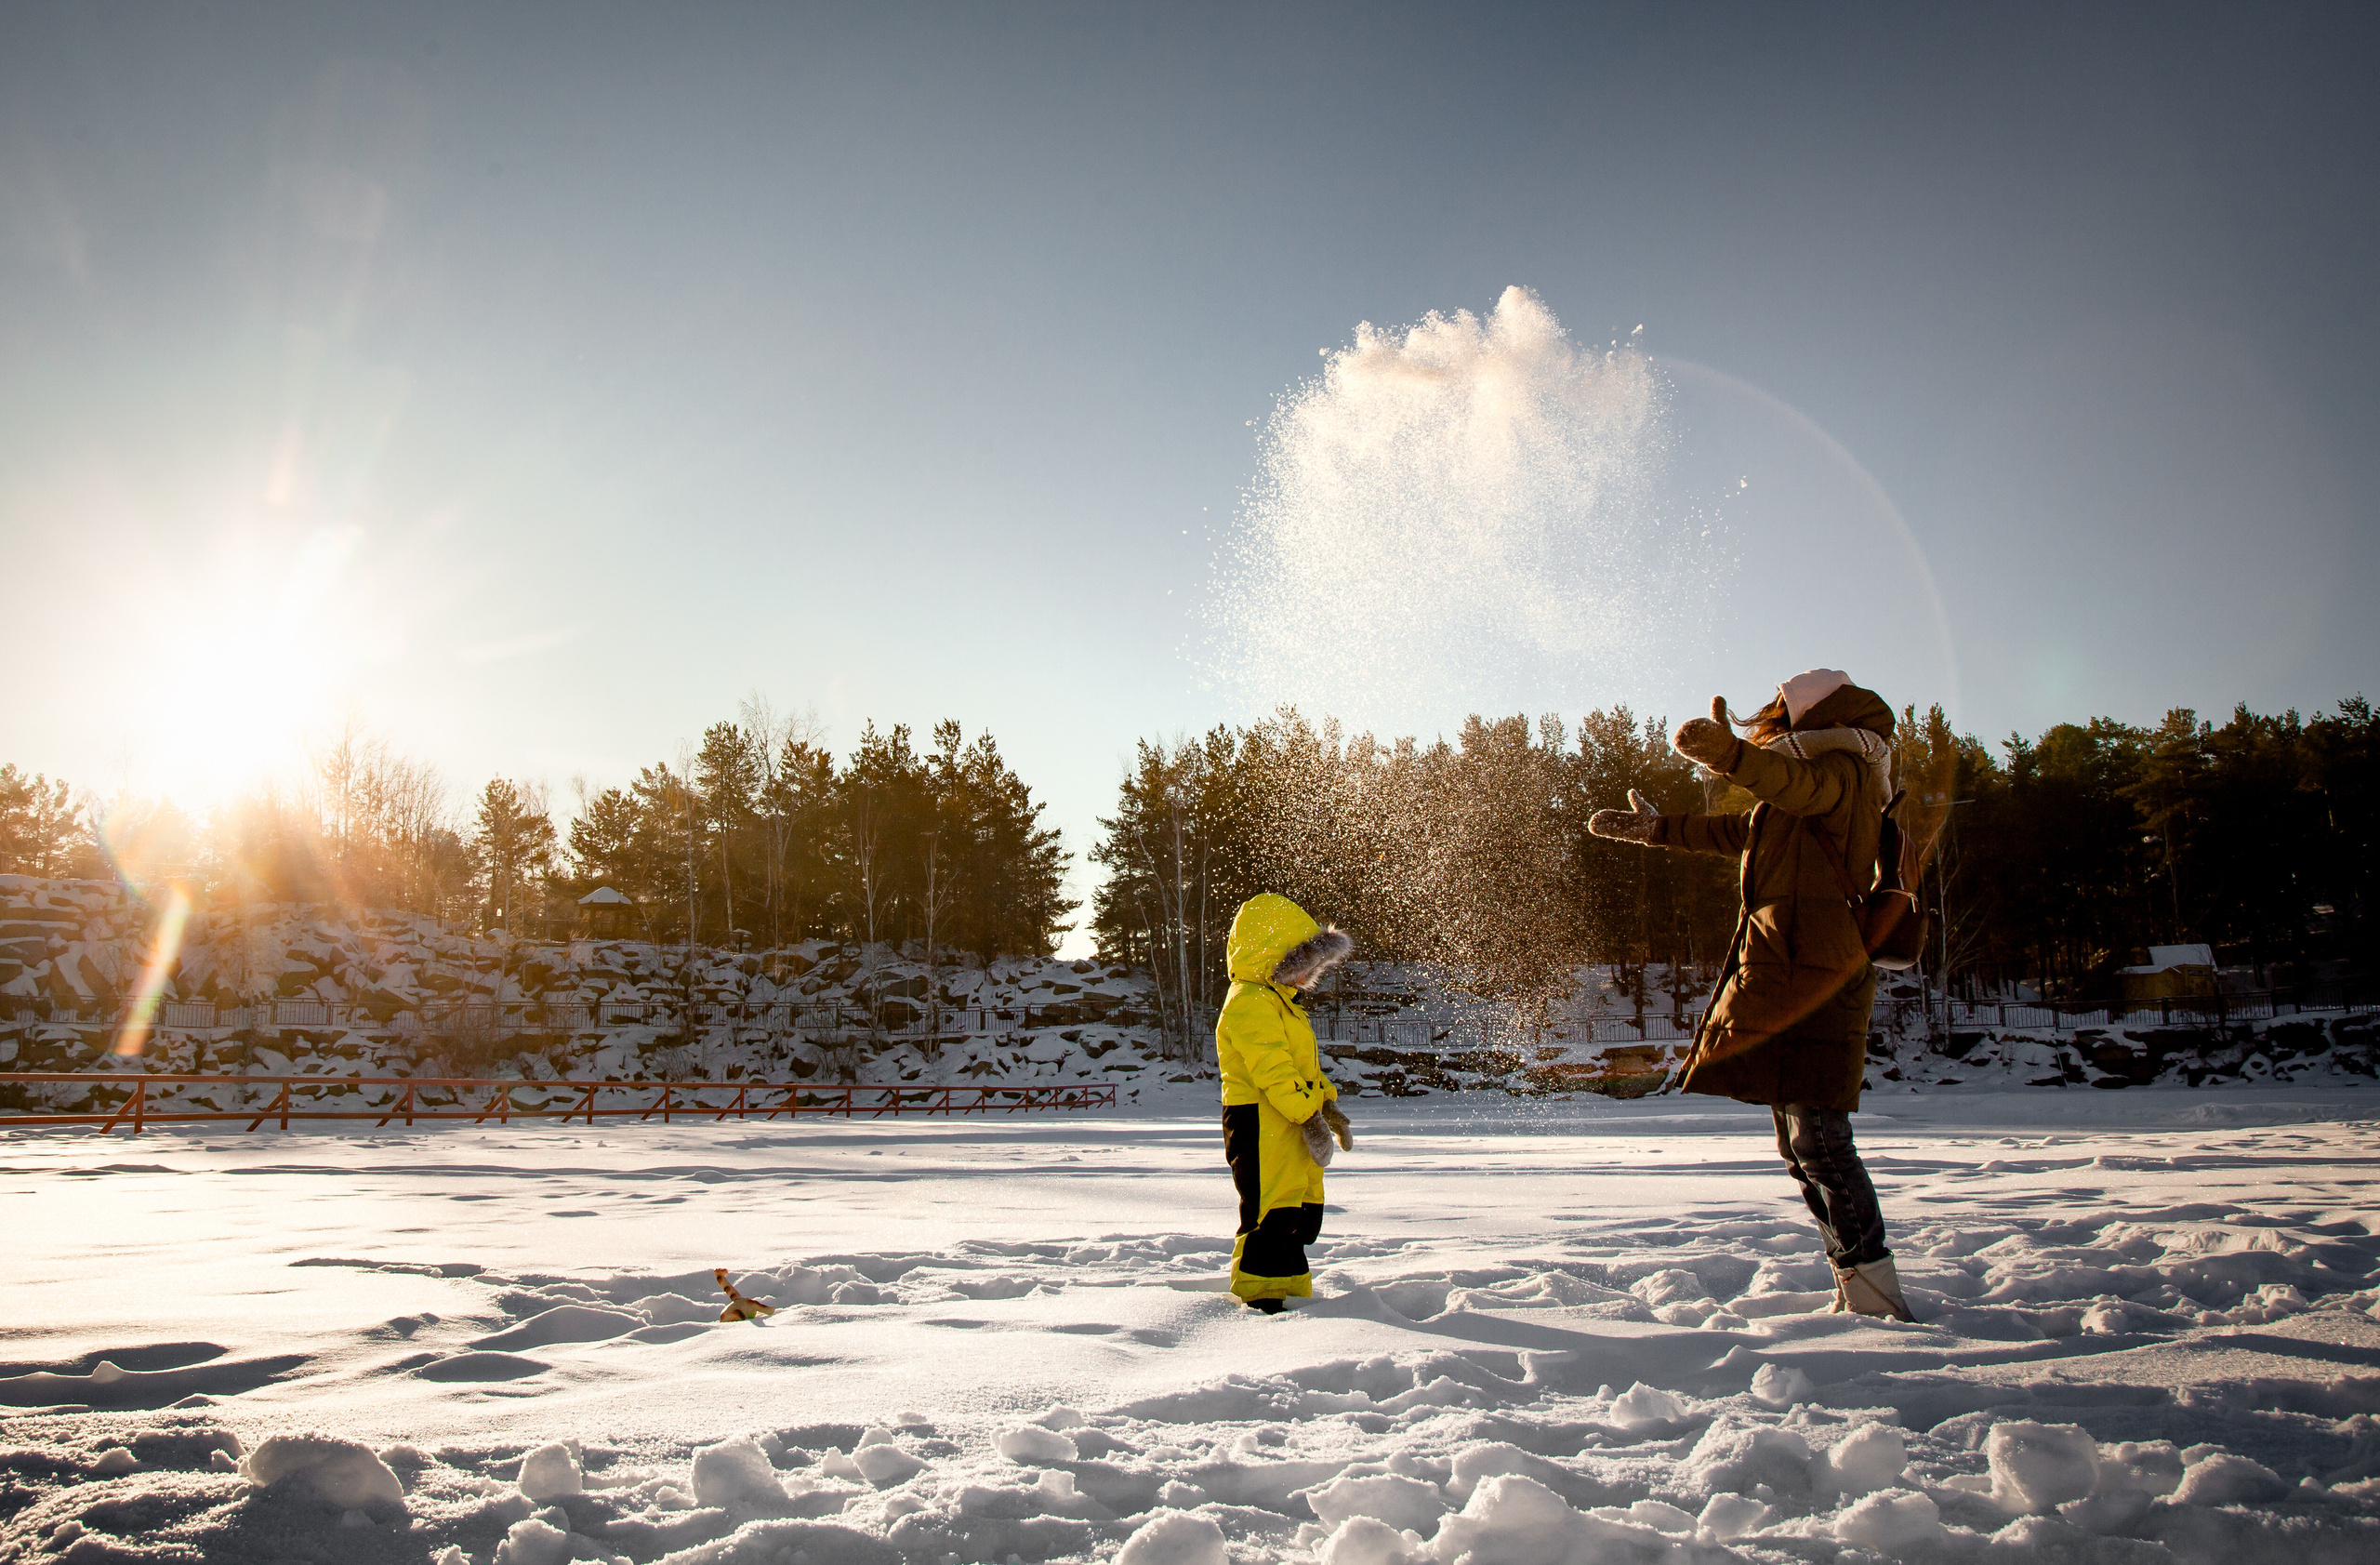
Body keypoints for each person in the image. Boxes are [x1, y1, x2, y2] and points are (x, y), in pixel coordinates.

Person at [1586, 669, 1917, 1321]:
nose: (1776, 727)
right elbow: (1738, 833)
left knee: (1822, 1140)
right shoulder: (1800, 794)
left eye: (1783, 717)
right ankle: (1855, 1284)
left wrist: (1731, 755)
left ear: (1814, 717)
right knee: (1801, 1146)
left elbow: (1788, 783)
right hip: (1784, 974)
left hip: (1818, 976)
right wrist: (1658, 830)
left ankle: (1877, 1296)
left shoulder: (1843, 773)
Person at [1214, 893, 1355, 1313]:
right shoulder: (1247, 1004)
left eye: (1310, 968)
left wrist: (1327, 1106)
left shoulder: (1283, 1006)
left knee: (1298, 1210)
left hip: (1291, 1118)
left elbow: (1304, 1070)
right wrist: (1308, 1119)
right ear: (1270, 957)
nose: (1306, 977)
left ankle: (1289, 1285)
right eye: (1300, 966)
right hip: (1259, 1122)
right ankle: (1260, 1296)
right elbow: (1272, 1071)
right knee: (1269, 1209)